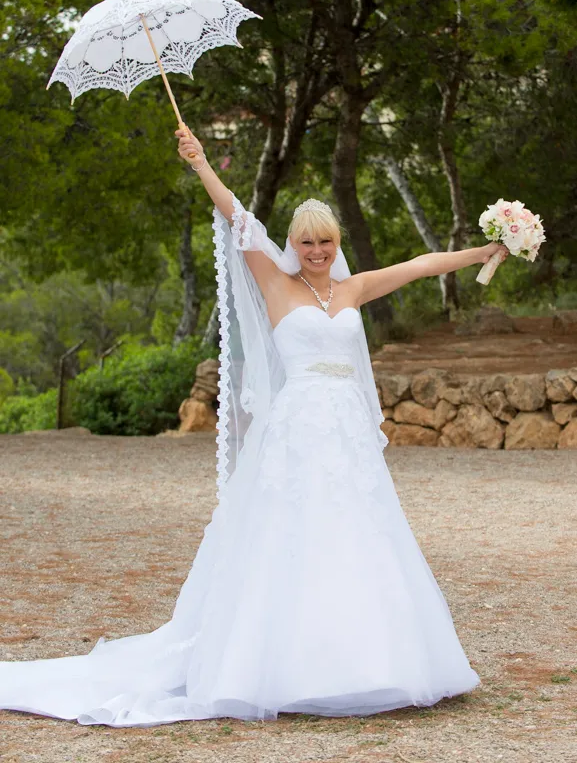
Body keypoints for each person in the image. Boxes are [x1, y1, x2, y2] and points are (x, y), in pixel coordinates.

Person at [0, 128, 508, 727]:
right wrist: (198, 165)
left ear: (336, 243)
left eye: (325, 240)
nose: (316, 249)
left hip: (345, 435)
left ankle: (369, 662)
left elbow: (422, 265)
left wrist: (485, 251)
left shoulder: (354, 288)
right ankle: (279, 665)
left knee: (357, 531)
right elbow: (236, 213)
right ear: (292, 244)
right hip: (296, 432)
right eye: (306, 241)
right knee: (291, 534)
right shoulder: (276, 282)